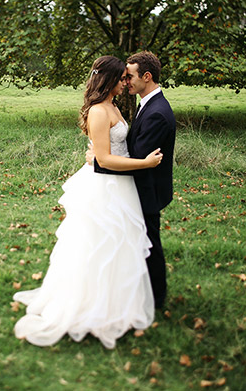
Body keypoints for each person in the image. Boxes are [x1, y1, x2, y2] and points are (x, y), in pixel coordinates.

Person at [12, 56, 163, 349]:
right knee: (98, 246)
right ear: (109, 80)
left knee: (120, 246)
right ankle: (90, 306)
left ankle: (117, 303)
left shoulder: (115, 106)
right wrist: (143, 163)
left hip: (122, 187)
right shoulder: (98, 111)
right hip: (105, 188)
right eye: (121, 78)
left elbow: (111, 149)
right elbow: (104, 159)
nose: (125, 82)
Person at [91, 51, 176, 310]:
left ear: (146, 77)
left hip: (148, 188)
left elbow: (138, 156)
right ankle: (134, 289)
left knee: (150, 243)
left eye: (130, 77)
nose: (125, 81)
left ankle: (157, 297)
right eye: (123, 77)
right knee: (138, 240)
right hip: (135, 186)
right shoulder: (147, 104)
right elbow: (132, 147)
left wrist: (98, 159)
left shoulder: (157, 113)